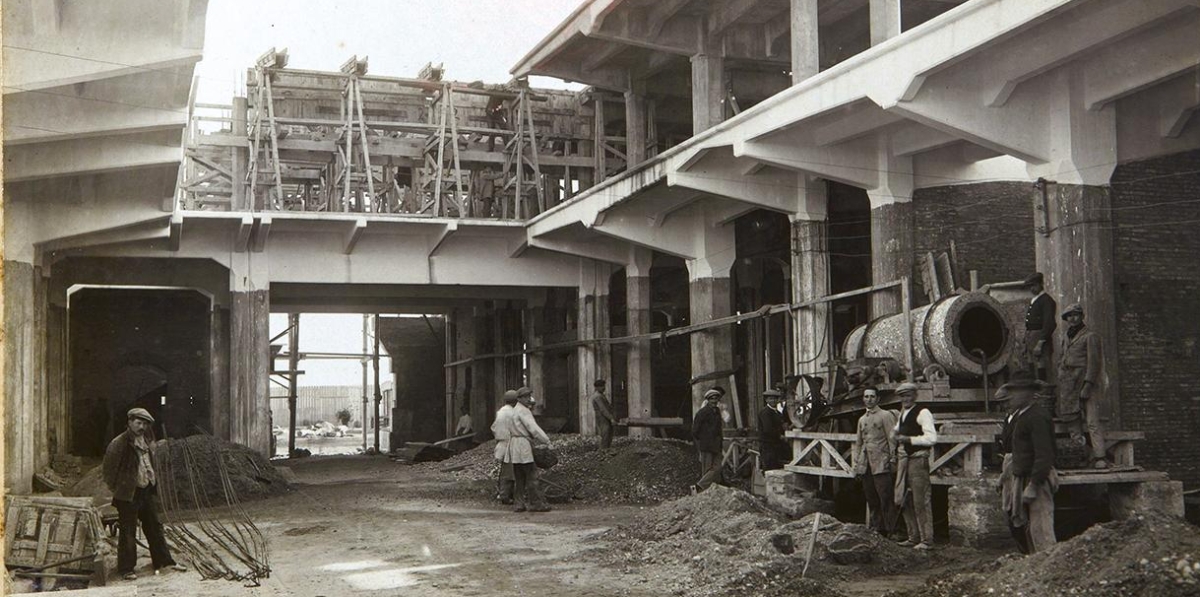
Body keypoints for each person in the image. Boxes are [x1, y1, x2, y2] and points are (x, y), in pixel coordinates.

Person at [102, 408, 187, 581]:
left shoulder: (146, 440)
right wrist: (119, 490)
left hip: (146, 491)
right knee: (128, 532)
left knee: (155, 527)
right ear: (130, 422)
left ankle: (164, 561)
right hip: (128, 495)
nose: (142, 426)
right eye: (138, 423)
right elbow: (108, 471)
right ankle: (126, 569)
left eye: (145, 424)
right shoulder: (119, 443)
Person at [997, 371, 1058, 554]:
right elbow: (1019, 452)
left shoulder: (1037, 416)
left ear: (1030, 394)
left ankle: (1048, 565)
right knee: (1027, 526)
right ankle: (1034, 566)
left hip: (1036, 477)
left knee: (1041, 526)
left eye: (1016, 392)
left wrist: (1034, 484)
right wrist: (1004, 477)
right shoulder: (1022, 416)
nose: (1012, 396)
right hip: (1022, 475)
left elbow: (1044, 454)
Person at [1056, 303, 1108, 468]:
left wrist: (1088, 385)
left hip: (1083, 381)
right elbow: (1063, 357)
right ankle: (1079, 455)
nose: (1072, 319)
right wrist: (1061, 372)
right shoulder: (1066, 336)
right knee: (1072, 419)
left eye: (1075, 315)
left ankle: (1100, 457)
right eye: (1069, 316)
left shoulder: (1090, 336)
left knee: (1092, 420)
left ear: (1081, 316)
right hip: (1068, 383)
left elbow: (1094, 363)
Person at [892, 383, 937, 550]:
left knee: (920, 500)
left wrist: (909, 440)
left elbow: (931, 438)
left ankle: (927, 540)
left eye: (908, 395)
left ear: (915, 396)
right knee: (904, 499)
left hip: (918, 459)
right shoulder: (903, 413)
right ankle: (913, 536)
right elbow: (897, 431)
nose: (905, 399)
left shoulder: (923, 413)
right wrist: (895, 435)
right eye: (902, 396)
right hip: (905, 459)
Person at [854, 388, 898, 536]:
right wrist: (857, 463)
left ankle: (890, 531)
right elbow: (859, 443)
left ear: (878, 399)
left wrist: (892, 459)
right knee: (871, 498)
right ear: (863, 399)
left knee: (885, 498)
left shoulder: (885, 416)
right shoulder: (862, 419)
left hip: (881, 463)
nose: (869, 399)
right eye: (866, 396)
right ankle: (876, 529)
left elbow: (892, 440)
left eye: (872, 396)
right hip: (866, 465)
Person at [505, 388, 552, 512]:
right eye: (525, 397)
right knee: (532, 475)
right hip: (523, 444)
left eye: (529, 396)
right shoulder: (524, 411)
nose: (528, 399)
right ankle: (536, 503)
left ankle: (519, 504)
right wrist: (546, 440)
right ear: (519, 399)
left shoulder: (513, 411)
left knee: (519, 477)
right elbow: (533, 428)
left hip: (514, 444)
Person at [1023, 273, 1057, 381]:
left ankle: (1044, 392)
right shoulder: (1034, 300)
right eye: (1030, 286)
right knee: (1031, 364)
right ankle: (1035, 392)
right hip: (1031, 336)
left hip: (1040, 337)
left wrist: (1040, 342)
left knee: (1041, 365)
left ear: (1041, 284)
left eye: (1034, 285)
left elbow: (1049, 323)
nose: (1032, 289)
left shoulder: (1047, 300)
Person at [691, 388, 725, 492]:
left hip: (717, 445)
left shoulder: (717, 412)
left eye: (716, 399)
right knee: (706, 469)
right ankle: (704, 492)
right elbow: (695, 430)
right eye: (712, 399)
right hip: (707, 445)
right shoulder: (702, 412)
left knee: (717, 468)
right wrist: (704, 440)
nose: (714, 401)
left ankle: (699, 486)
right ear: (708, 400)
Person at [491, 393, 517, 504]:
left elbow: (493, 428)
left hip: (500, 444)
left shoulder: (500, 412)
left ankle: (502, 493)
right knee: (509, 472)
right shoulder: (513, 413)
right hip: (511, 444)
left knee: (502, 472)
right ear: (515, 401)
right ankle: (505, 495)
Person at [757, 389, 788, 471]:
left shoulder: (777, 413)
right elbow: (768, 429)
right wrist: (780, 436)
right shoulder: (765, 412)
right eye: (770, 399)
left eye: (775, 399)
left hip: (776, 445)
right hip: (767, 445)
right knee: (769, 468)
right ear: (766, 400)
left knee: (777, 467)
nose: (773, 401)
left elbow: (781, 426)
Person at [590, 379, 616, 449]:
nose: (603, 388)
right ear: (596, 387)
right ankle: (603, 452)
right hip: (602, 418)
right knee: (605, 434)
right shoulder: (597, 396)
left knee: (608, 435)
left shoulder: (601, 395)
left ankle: (605, 451)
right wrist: (611, 418)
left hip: (604, 417)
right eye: (601, 386)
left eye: (604, 386)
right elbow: (603, 409)